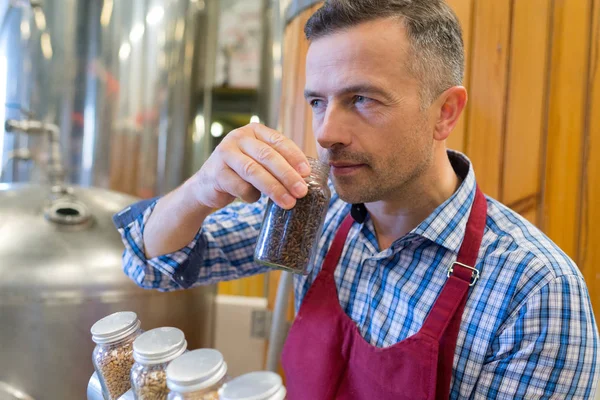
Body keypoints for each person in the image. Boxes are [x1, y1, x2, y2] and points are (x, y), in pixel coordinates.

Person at [113, 0, 599, 398]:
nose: (325, 133)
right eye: (317, 102)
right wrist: (201, 190)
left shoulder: (534, 289)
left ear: (445, 113)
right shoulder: (318, 215)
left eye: (362, 100)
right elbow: (151, 259)